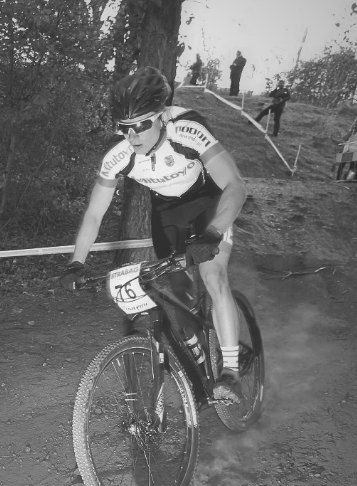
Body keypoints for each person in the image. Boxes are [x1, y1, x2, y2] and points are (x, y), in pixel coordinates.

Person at [58, 67, 248, 402]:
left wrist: (214, 232)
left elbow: (235, 185)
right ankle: (201, 360)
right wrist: (76, 262)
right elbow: (94, 213)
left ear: (161, 115)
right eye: (124, 127)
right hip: (168, 214)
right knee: (175, 296)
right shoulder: (118, 155)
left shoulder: (188, 131)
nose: (132, 136)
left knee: (212, 275)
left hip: (208, 204)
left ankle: (231, 371)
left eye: (142, 125)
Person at [337, 116, 357, 180]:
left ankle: (348, 179)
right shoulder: (352, 130)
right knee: (341, 165)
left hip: (356, 151)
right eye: (356, 122)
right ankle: (338, 178)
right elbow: (345, 138)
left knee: (352, 166)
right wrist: (351, 131)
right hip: (347, 149)